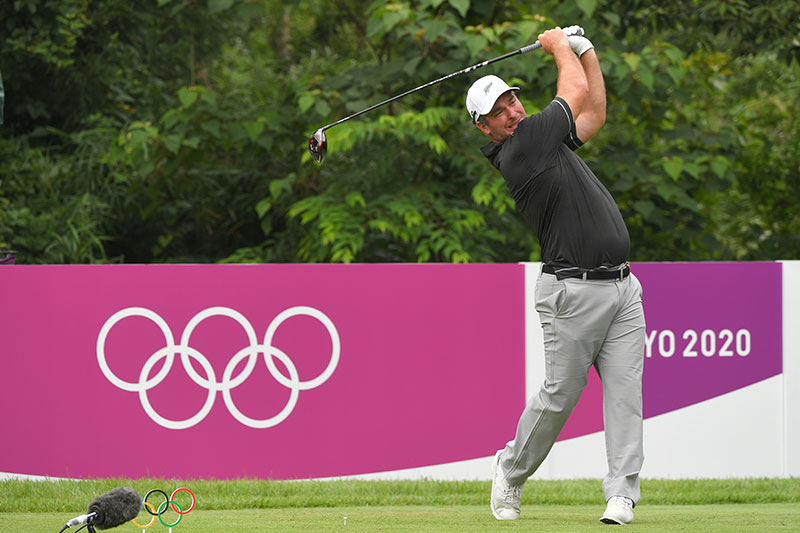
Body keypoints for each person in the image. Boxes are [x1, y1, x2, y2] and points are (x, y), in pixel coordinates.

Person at [465, 27, 646, 525]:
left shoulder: (542, 139)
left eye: (512, 101)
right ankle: (511, 469)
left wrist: (588, 53)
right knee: (560, 397)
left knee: (626, 394)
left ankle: (622, 494)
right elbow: (573, 94)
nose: (512, 112)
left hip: (622, 288)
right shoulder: (520, 150)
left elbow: (594, 114)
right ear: (486, 128)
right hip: (572, 291)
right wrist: (559, 46)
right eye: (499, 111)